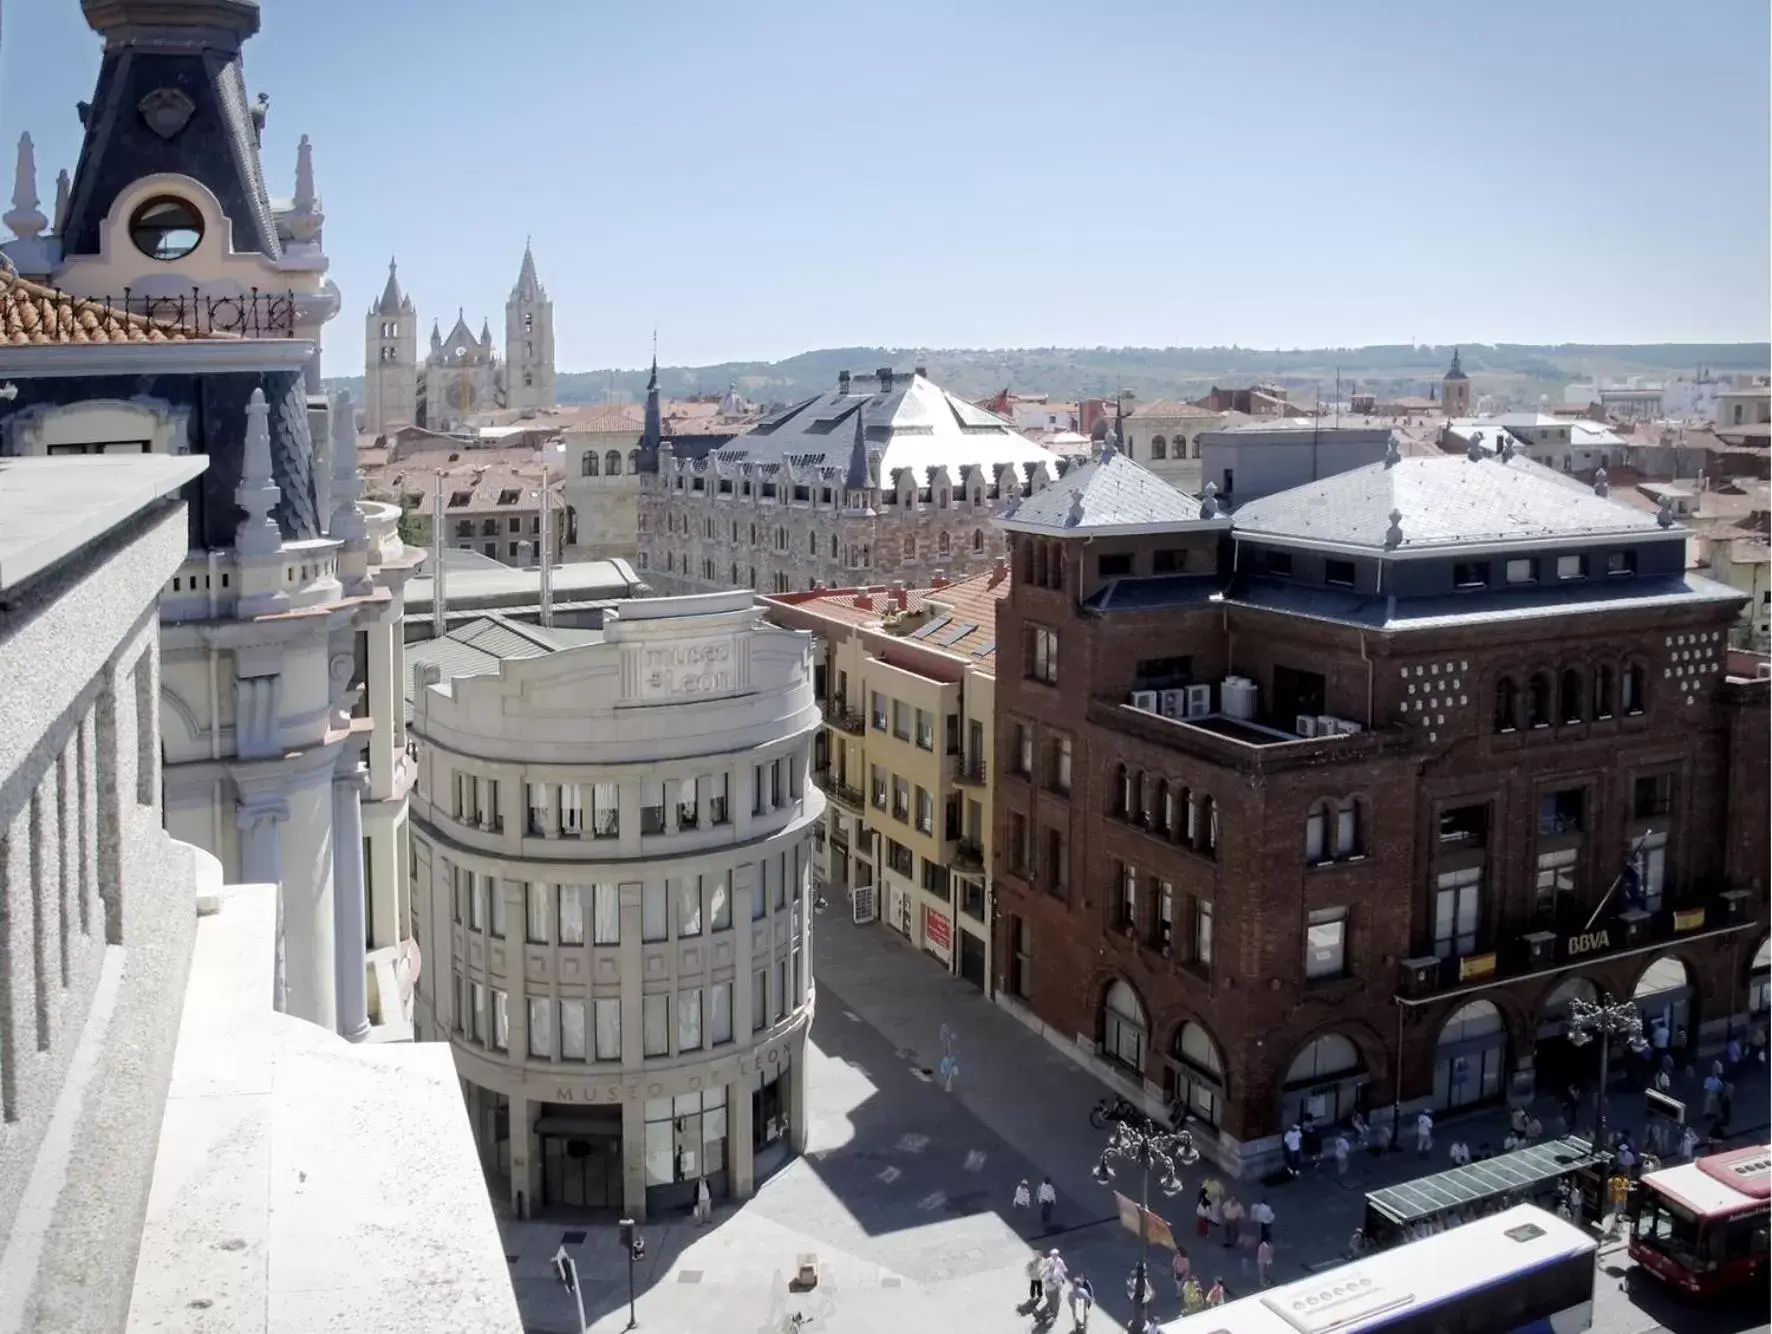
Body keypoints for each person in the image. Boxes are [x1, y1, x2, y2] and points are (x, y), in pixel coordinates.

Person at [1040, 1249, 1066, 1317]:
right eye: (1052, 1255)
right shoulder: (1048, 1263)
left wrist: (1062, 1279)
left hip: (1054, 1287)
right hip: (1048, 1288)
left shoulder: (1059, 1263)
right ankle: (1051, 1308)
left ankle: (1054, 1311)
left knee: (1056, 1299)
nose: (1053, 1256)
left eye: (1055, 1255)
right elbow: (1042, 1275)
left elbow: (1063, 1271)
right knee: (1050, 1298)